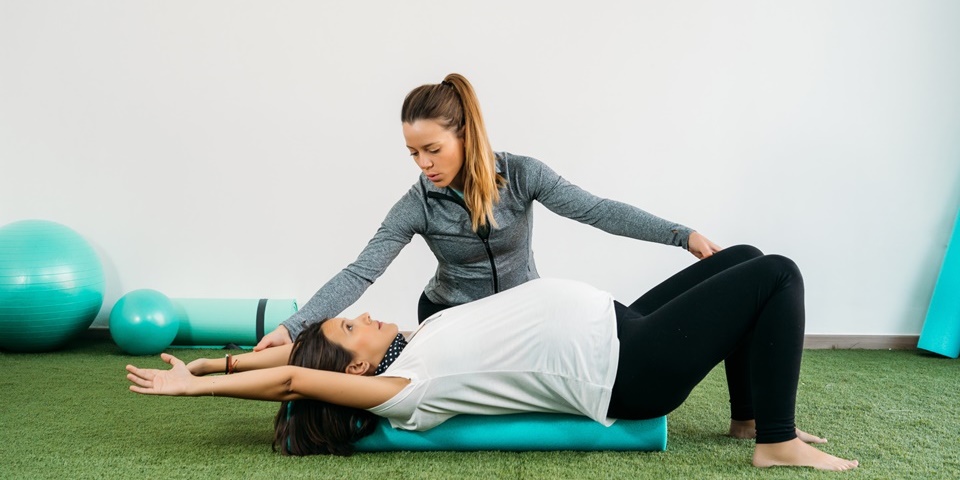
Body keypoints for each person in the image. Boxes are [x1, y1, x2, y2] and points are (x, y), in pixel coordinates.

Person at [126, 246, 859, 471]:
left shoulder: (413, 341)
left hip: (623, 326)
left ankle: (749, 420)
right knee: (778, 276)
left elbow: (290, 355)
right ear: (353, 372)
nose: (369, 314)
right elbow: (291, 376)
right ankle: (776, 444)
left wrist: (226, 358)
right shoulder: (407, 389)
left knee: (745, 261)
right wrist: (200, 382)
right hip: (629, 372)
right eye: (355, 327)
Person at [254, 72, 721, 351]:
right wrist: (291, 327)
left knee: (623, 330)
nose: (423, 165)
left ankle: (748, 418)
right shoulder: (416, 205)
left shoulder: (522, 176)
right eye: (413, 153)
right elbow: (361, 273)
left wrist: (683, 235)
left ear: (464, 135)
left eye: (432, 149)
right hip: (452, 316)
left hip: (525, 307)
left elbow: (596, 210)